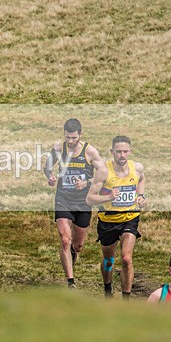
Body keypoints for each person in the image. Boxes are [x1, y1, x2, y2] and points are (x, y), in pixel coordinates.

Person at [44, 118, 103, 288]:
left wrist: (87, 182)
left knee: (77, 245)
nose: (70, 141)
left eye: (74, 138)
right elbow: (47, 167)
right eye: (67, 137)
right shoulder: (58, 148)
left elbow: (103, 174)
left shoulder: (89, 151)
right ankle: (71, 281)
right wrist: (50, 176)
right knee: (64, 238)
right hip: (63, 198)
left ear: (80, 135)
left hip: (83, 202)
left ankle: (71, 254)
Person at [86, 135, 147, 299]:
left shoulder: (137, 168)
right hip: (108, 221)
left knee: (127, 258)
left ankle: (126, 300)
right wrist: (108, 198)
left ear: (130, 151)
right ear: (112, 152)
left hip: (130, 217)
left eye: (125, 151)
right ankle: (108, 290)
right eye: (118, 151)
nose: (122, 155)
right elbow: (90, 198)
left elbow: (141, 179)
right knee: (109, 260)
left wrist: (141, 196)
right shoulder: (104, 171)